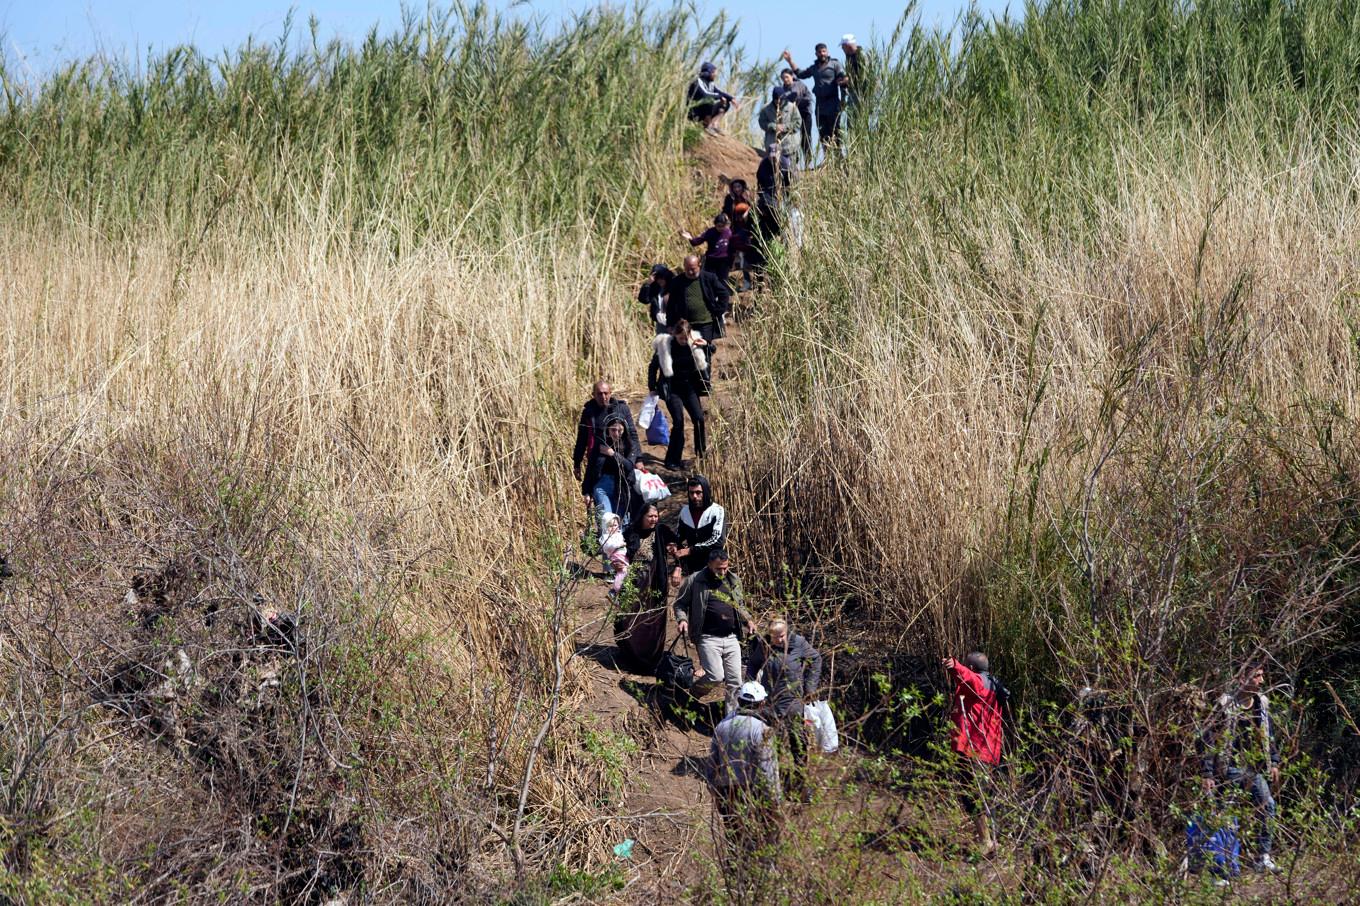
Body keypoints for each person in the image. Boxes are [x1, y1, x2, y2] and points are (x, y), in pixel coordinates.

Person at [1199, 662, 1282, 873]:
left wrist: (1274, 761)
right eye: (1256, 676)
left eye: (1262, 676)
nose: (1261, 681)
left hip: (1254, 768)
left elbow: (1268, 734)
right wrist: (1207, 773)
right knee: (1226, 815)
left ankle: (1261, 857)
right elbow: (1209, 739)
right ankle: (1224, 865)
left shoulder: (1262, 703)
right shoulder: (1225, 703)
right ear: (1241, 678)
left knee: (1265, 805)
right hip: (1228, 768)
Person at [747, 619, 823, 800]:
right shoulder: (765, 645)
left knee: (799, 745)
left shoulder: (798, 642)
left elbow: (816, 659)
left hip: (794, 703)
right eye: (775, 637)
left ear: (787, 632)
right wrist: (754, 691)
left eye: (781, 636)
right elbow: (752, 665)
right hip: (771, 704)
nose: (779, 640)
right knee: (776, 746)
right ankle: (777, 786)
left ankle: (803, 786)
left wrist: (810, 688)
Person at [710, 680, 782, 866]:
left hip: (728, 793)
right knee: (765, 840)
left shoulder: (722, 727)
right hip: (754, 793)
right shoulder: (763, 731)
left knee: (735, 839)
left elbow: (712, 765)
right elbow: (767, 771)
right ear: (762, 704)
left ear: (739, 701)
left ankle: (736, 876)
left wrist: (717, 794)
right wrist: (775, 800)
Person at [674, 547, 754, 712]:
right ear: (709, 564)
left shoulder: (734, 581)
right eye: (719, 568)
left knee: (735, 682)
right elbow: (680, 604)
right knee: (715, 676)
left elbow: (740, 607)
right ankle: (692, 695)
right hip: (707, 637)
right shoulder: (695, 580)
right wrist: (682, 620)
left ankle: (731, 720)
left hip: (731, 637)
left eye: (726, 567)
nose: (723, 572)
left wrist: (748, 620)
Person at [944, 651, 1006, 857]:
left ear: (972, 668)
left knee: (973, 795)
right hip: (986, 751)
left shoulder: (978, 683)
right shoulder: (992, 684)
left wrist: (954, 665)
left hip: (975, 750)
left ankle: (986, 842)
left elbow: (967, 678)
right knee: (983, 794)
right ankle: (991, 841)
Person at [573, 381, 641, 512]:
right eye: (599, 394)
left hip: (621, 462)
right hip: (599, 462)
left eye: (606, 393)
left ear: (610, 393)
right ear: (593, 395)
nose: (603, 397)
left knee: (624, 510)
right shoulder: (589, 412)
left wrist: (638, 459)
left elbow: (632, 434)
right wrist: (577, 462)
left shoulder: (621, 409)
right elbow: (581, 439)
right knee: (603, 509)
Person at [650, 320, 709, 470]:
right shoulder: (665, 346)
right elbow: (653, 367)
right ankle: (672, 459)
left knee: (699, 418)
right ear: (674, 334)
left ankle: (701, 455)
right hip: (672, 389)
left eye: (686, 337)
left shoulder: (693, 343)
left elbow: (709, 353)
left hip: (689, 388)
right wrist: (652, 387)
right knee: (679, 422)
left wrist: (705, 345)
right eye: (680, 338)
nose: (683, 341)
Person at [781, 43, 846, 152]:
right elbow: (800, 74)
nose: (822, 54)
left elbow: (843, 80)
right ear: (816, 53)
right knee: (823, 133)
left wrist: (843, 100)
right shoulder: (814, 68)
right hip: (820, 105)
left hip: (833, 103)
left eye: (824, 51)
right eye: (820, 52)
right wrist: (790, 61)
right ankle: (828, 160)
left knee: (835, 131)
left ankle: (839, 159)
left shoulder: (834, 64)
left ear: (827, 52)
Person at [664, 254, 731, 355]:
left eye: (693, 269)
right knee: (687, 353)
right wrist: (669, 324)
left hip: (705, 324)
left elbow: (724, 294)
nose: (690, 272)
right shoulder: (677, 282)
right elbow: (671, 305)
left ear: (699, 265)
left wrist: (718, 311)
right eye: (687, 269)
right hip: (686, 326)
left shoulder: (709, 278)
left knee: (705, 352)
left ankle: (705, 370)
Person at [668, 474, 727, 574]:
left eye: (698, 492)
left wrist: (691, 550)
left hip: (714, 565)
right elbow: (678, 536)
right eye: (691, 493)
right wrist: (673, 545)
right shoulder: (685, 511)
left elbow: (717, 541)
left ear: (706, 492)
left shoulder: (717, 511)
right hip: (693, 566)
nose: (694, 496)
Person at [681, 213, 734, 283]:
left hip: (724, 260)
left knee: (723, 280)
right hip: (712, 259)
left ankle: (724, 293)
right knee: (710, 279)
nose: (721, 228)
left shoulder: (729, 232)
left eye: (723, 226)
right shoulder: (710, 232)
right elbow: (697, 241)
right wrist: (690, 238)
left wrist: (732, 259)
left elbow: (733, 246)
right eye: (719, 226)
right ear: (715, 225)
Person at [687, 62, 735, 133]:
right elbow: (705, 94)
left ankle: (714, 124)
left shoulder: (710, 83)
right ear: (708, 72)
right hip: (694, 112)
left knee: (726, 104)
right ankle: (707, 126)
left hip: (703, 110)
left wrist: (731, 99)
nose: (715, 75)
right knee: (709, 99)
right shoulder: (697, 81)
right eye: (713, 72)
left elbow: (719, 92)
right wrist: (720, 97)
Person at [757, 86, 801, 163]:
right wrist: (773, 126)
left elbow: (797, 123)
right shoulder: (766, 109)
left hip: (789, 147)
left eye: (781, 100)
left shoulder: (792, 108)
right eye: (777, 100)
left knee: (790, 171)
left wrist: (784, 127)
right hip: (772, 147)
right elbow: (762, 122)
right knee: (774, 171)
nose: (779, 102)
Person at [838, 35, 873, 130]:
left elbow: (864, 75)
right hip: (854, 92)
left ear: (848, 45)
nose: (842, 48)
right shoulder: (849, 57)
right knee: (851, 122)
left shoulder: (862, 55)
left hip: (863, 94)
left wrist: (848, 79)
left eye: (843, 46)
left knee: (859, 120)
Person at [779, 68, 814, 163]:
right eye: (783, 78)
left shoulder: (798, 85)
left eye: (786, 77)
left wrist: (790, 100)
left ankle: (808, 160)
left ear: (792, 76)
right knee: (793, 138)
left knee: (806, 137)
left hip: (804, 113)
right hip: (793, 117)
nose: (785, 80)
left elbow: (802, 96)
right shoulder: (783, 89)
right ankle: (794, 160)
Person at [637, 264, 672, 334]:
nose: (660, 280)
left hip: (673, 323)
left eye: (662, 277)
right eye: (657, 278)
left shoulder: (674, 285)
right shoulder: (654, 288)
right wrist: (648, 284)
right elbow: (644, 300)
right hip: (660, 323)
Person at [599, 512, 628, 594]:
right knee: (623, 570)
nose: (613, 528)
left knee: (627, 571)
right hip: (616, 556)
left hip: (623, 555)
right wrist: (619, 544)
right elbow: (607, 547)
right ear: (605, 527)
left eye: (615, 525)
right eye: (610, 526)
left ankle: (623, 589)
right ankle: (615, 590)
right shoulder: (605, 536)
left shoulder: (618, 534)